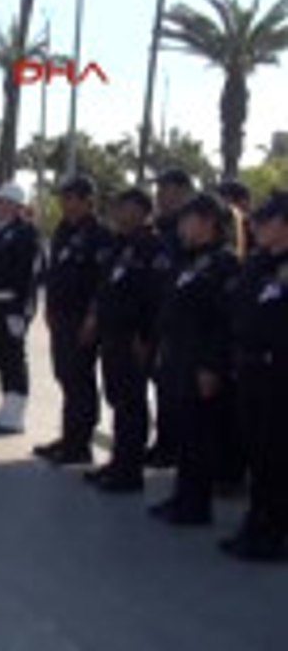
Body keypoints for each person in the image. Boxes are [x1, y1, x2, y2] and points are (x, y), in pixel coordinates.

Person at [149, 193, 241, 527]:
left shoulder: (224, 263)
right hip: (177, 357)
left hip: (201, 362)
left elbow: (224, 320)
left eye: (188, 220)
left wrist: (212, 366)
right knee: (184, 434)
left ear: (208, 223)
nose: (182, 227)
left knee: (200, 436)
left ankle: (195, 507)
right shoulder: (188, 260)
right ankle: (182, 496)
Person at [86, 188, 169, 494]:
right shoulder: (120, 245)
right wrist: (95, 318)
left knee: (132, 403)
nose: (118, 213)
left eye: (124, 207)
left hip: (134, 339)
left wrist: (146, 337)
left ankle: (129, 472)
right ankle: (119, 461)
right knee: (118, 399)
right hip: (113, 335)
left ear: (140, 211)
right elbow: (106, 287)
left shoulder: (153, 247)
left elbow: (155, 297)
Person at [222, 192, 288, 561]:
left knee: (278, 455)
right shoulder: (258, 263)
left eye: (266, 220)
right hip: (250, 368)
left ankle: (275, 532)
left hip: (279, 372)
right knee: (258, 453)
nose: (257, 225)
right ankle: (257, 521)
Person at [34, 176, 115, 465]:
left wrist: (93, 319)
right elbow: (56, 273)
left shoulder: (100, 235)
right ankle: (69, 436)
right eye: (63, 198)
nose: (65, 204)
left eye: (70, 198)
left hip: (83, 320)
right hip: (61, 317)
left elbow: (102, 283)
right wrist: (49, 309)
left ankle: (80, 444)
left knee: (80, 380)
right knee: (66, 376)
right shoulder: (63, 231)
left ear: (87, 201)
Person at [0, 182, 41, 436]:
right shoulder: (1, 231)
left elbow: (29, 276)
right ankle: (6, 407)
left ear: (15, 206)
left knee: (13, 358)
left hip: (10, 303)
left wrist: (20, 311)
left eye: (1, 202)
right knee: (1, 357)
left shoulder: (26, 232)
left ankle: (16, 415)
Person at [147, 169, 197, 468]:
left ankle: (173, 449)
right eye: (160, 189)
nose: (160, 195)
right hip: (156, 318)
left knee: (176, 390)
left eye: (166, 189)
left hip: (181, 324)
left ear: (182, 191)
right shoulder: (160, 227)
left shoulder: (188, 228)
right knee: (162, 387)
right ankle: (164, 444)